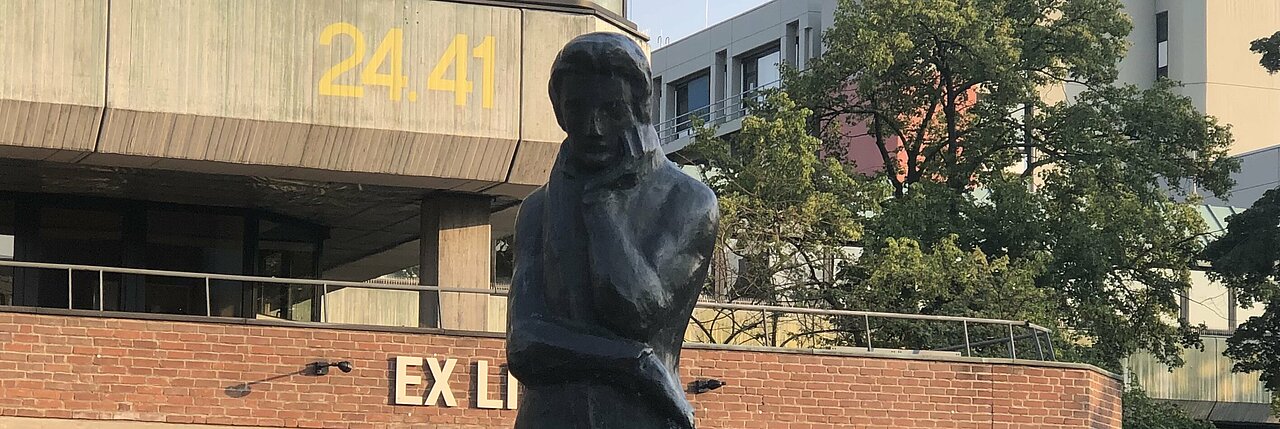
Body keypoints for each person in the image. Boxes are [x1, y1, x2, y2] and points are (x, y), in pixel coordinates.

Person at [506, 32, 719, 429]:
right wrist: (634, 362)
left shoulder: (688, 202)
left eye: (612, 109)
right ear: (559, 111)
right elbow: (524, 344)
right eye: (577, 108)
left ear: (641, 109)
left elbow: (637, 313)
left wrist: (602, 205)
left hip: (641, 419)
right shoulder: (538, 209)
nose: (593, 127)